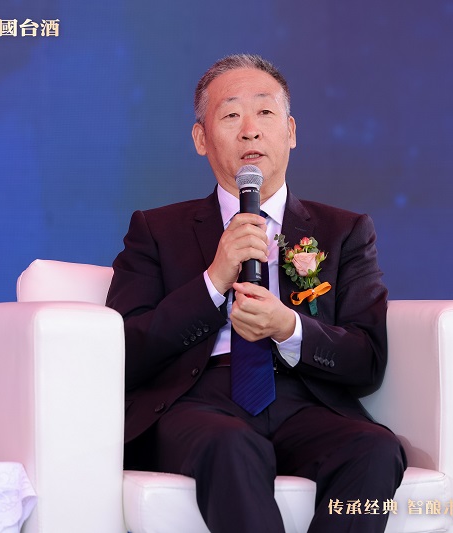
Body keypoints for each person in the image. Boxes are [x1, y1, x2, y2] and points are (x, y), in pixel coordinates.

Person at [106, 53, 406, 533]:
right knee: (230, 444)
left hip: (303, 399)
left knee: (374, 448)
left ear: (290, 131)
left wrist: (290, 328)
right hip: (197, 402)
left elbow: (367, 359)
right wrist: (212, 282)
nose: (250, 131)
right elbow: (124, 351)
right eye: (230, 115)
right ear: (201, 139)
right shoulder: (156, 230)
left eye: (265, 112)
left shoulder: (343, 231)